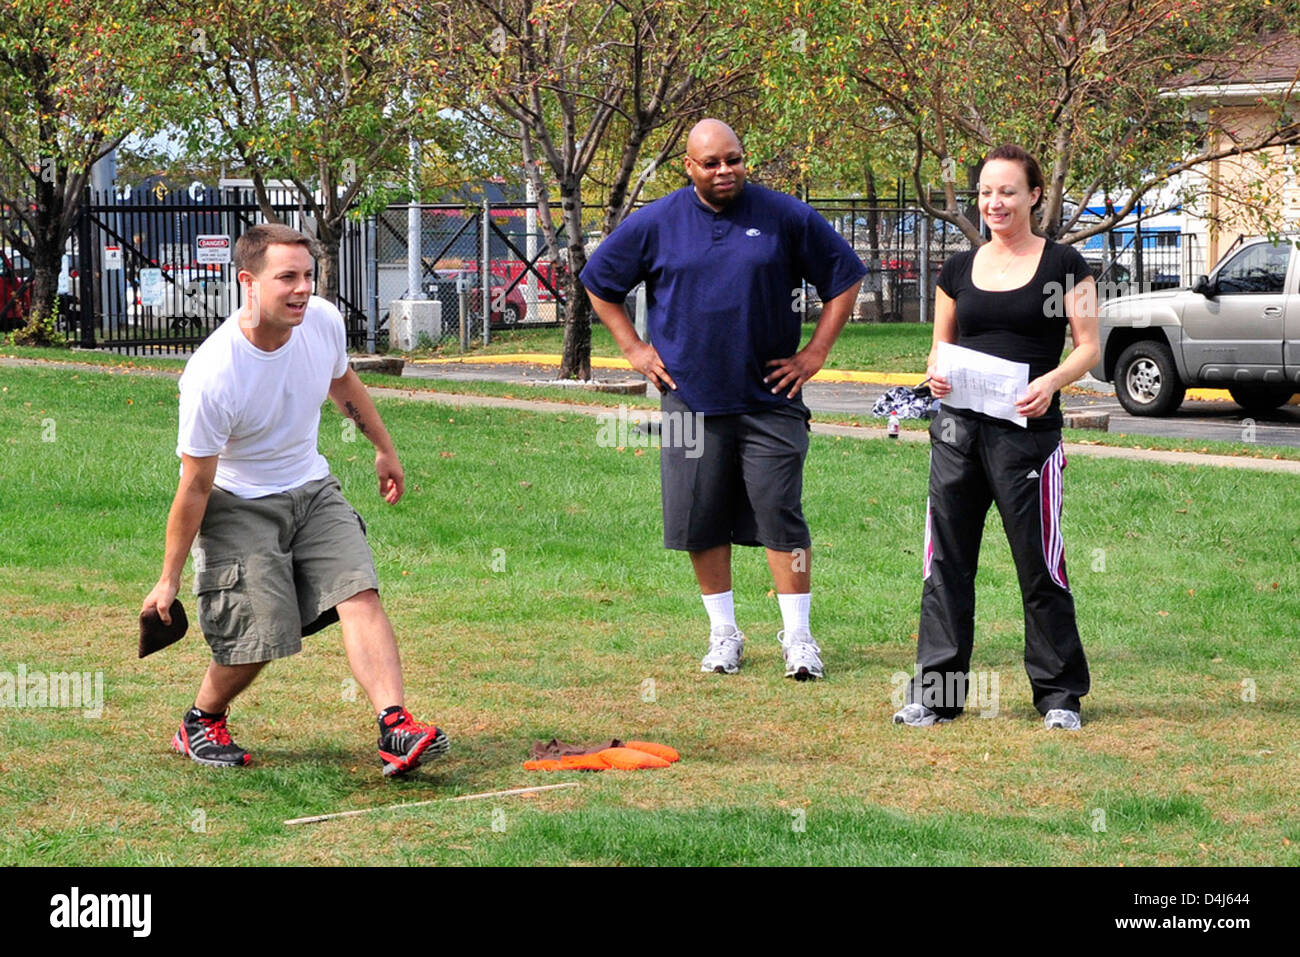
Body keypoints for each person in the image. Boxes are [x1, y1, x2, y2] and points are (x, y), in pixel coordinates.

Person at [141, 223, 449, 774]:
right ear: (248, 282)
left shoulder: (322, 322)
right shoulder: (214, 374)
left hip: (312, 488)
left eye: (307, 275)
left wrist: (384, 448)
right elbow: (195, 484)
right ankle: (201, 721)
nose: (303, 289)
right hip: (240, 502)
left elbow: (343, 383)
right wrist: (168, 578)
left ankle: (394, 727)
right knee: (260, 638)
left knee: (360, 592)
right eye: (287, 277)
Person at [581, 119, 866, 680]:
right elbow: (599, 281)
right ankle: (724, 636)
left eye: (733, 159)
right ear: (688, 167)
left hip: (771, 398)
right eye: (710, 163)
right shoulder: (657, 222)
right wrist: (634, 349)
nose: (724, 171)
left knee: (781, 515)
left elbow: (843, 276)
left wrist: (815, 354)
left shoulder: (784, 215)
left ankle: (800, 640)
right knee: (699, 519)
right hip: (689, 399)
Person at [893, 144, 1099, 731]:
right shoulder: (958, 268)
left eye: (1007, 191)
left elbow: (1088, 346)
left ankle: (1059, 696)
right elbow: (941, 343)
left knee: (1040, 567)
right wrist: (933, 372)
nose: (995, 203)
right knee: (945, 565)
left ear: (1034, 195)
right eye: (986, 192)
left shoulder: (1066, 265)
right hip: (956, 432)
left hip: (1027, 438)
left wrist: (1052, 381)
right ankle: (936, 694)